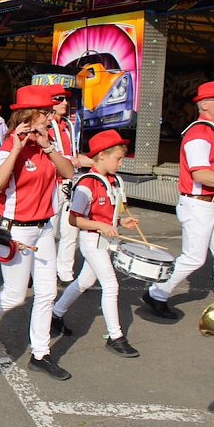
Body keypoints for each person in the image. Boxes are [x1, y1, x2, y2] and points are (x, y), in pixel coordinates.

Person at [0, 85, 76, 380]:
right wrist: (19, 147)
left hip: (45, 227)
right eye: (44, 113)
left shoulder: (47, 145)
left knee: (47, 293)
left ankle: (40, 353)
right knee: (14, 296)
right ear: (29, 116)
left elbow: (69, 172)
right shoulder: (12, 146)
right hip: (18, 230)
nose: (50, 117)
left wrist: (48, 146)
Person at [143, 80, 214, 320]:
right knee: (194, 258)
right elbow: (200, 174)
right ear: (204, 104)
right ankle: (156, 293)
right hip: (198, 204)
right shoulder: (198, 133)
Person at [50, 130, 141, 358]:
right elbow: (74, 219)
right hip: (92, 240)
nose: (120, 163)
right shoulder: (86, 184)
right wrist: (100, 226)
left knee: (84, 281)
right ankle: (115, 336)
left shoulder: (115, 180)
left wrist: (121, 221)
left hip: (106, 240)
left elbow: (110, 213)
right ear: (101, 156)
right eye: (117, 158)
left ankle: (56, 312)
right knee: (111, 285)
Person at [46, 88, 81, 284]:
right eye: (59, 99)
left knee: (70, 229)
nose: (64, 103)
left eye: (65, 99)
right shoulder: (46, 127)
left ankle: (65, 272)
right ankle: (43, 270)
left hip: (69, 182)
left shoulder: (67, 125)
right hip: (53, 184)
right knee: (49, 230)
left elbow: (73, 155)